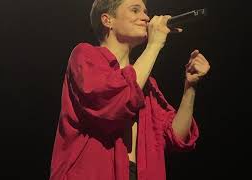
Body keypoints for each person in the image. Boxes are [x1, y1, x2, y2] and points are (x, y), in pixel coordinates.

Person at [49, 0, 210, 179]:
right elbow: (114, 100)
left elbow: (176, 136)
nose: (146, 17)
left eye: (145, 12)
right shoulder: (85, 56)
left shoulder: (146, 84)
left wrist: (190, 87)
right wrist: (154, 45)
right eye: (135, 10)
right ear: (107, 20)